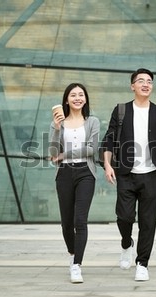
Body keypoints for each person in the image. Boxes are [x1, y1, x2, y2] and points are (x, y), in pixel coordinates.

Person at [102, 68, 156, 282]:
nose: (146, 84)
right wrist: (107, 164)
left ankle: (142, 263)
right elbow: (109, 139)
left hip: (151, 173)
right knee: (124, 217)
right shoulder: (121, 110)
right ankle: (126, 242)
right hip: (126, 172)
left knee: (148, 221)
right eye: (141, 81)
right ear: (132, 85)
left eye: (149, 81)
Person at [49, 83, 100, 283]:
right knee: (66, 223)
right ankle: (72, 254)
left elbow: (91, 149)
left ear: (85, 99)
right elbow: (53, 154)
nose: (77, 98)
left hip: (85, 172)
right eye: (73, 95)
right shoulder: (57, 123)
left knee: (80, 221)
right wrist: (55, 128)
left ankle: (77, 265)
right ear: (66, 99)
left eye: (81, 95)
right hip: (64, 174)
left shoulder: (92, 121)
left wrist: (65, 154)